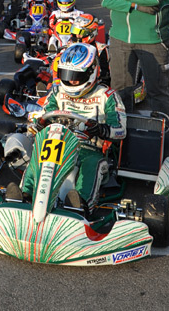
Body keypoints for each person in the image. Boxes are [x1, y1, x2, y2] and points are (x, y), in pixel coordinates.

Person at [24, 43, 126, 212]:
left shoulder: (107, 96)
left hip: (89, 148)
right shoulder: (57, 91)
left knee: (92, 163)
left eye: (76, 75)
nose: (71, 80)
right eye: (67, 74)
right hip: (57, 144)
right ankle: (26, 196)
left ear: (91, 72)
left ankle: (81, 205)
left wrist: (101, 129)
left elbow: (121, 129)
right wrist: (39, 124)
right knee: (38, 153)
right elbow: (46, 114)